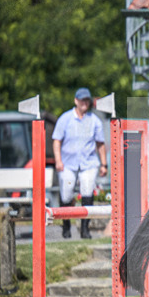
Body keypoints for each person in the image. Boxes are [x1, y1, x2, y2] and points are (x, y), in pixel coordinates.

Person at [52, 87, 107, 239]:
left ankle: (85, 229)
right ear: (76, 101)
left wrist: (104, 164)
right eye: (82, 100)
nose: (85, 103)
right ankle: (66, 226)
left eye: (87, 100)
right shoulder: (65, 118)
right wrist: (58, 161)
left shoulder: (95, 121)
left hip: (88, 163)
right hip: (68, 163)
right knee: (67, 193)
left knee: (88, 191)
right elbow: (57, 141)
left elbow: (100, 143)